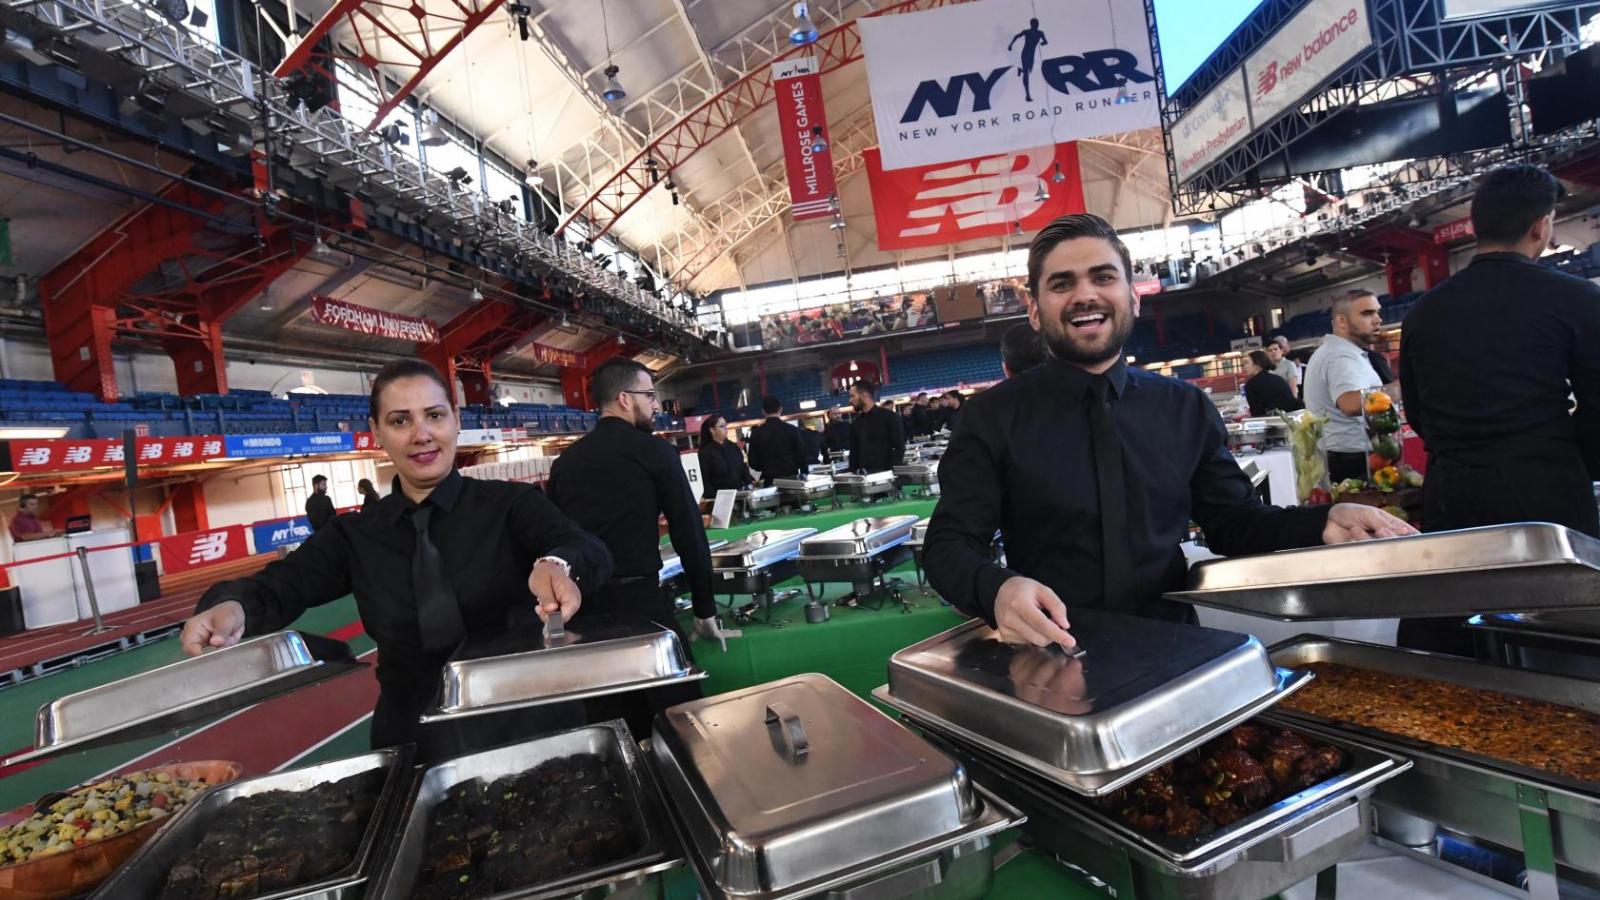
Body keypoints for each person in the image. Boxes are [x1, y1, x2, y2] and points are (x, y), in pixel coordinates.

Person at [925, 214, 1414, 645]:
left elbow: (1236, 524)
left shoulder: (1184, 408)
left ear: (1133, 299)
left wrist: (1323, 521)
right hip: (1050, 656)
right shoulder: (991, 417)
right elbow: (948, 547)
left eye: (1103, 277)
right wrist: (998, 589)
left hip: (1175, 649)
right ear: (1035, 310)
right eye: (1061, 284)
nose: (1085, 295)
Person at [178, 358, 612, 756]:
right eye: (400, 420)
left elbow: (584, 547)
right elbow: (282, 583)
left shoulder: (513, 505)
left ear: (456, 421)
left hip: (530, 725)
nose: (421, 434)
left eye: (435, 416)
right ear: (377, 432)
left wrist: (556, 564)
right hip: (413, 739)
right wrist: (231, 606)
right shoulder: (355, 535)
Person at [1401, 164, 1600, 653]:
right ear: (1542, 226)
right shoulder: (1575, 297)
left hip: (1453, 494)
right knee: (1562, 642)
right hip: (1545, 492)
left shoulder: (1425, 310)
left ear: (1474, 224)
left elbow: (1418, 412)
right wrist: (1566, 454)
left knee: (1456, 641)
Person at [547, 358, 735, 736]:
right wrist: (705, 607)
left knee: (613, 727)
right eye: (649, 395)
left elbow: (557, 542)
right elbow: (688, 535)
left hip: (585, 615)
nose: (654, 404)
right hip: (642, 607)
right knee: (683, 724)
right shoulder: (655, 452)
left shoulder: (565, 463)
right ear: (623, 399)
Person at [1302, 291, 1384, 483]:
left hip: (1344, 456)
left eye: (1378, 312)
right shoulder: (1340, 357)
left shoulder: (1338, 352)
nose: (1378, 320)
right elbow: (1350, 403)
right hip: (1351, 461)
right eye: (1367, 313)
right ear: (1342, 321)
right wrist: (1398, 390)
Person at [747, 396, 808, 482]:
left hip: (769, 480)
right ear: (780, 410)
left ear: (763, 412)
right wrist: (803, 473)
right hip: (792, 479)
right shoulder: (792, 429)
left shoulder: (756, 433)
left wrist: (765, 467)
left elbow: (753, 463)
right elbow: (802, 455)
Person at [848, 381, 905, 473]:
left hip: (887, 475)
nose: (850, 400)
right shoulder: (856, 423)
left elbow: (899, 447)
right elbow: (854, 453)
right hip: (864, 478)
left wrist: (891, 473)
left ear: (864, 395)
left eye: (852, 396)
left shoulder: (889, 417)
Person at [696, 415, 752, 498]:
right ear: (712, 430)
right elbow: (705, 480)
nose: (726, 428)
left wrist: (749, 483)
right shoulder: (705, 453)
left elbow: (743, 467)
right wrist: (714, 497)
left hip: (739, 494)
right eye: (722, 426)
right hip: (719, 498)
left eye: (726, 425)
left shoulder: (733, 447)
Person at [1242, 349, 1303, 418]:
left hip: (1273, 422)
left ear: (1257, 364)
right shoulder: (1278, 379)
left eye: (1247, 363)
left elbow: (1257, 413)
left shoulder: (1251, 385)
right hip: (1292, 419)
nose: (1244, 366)